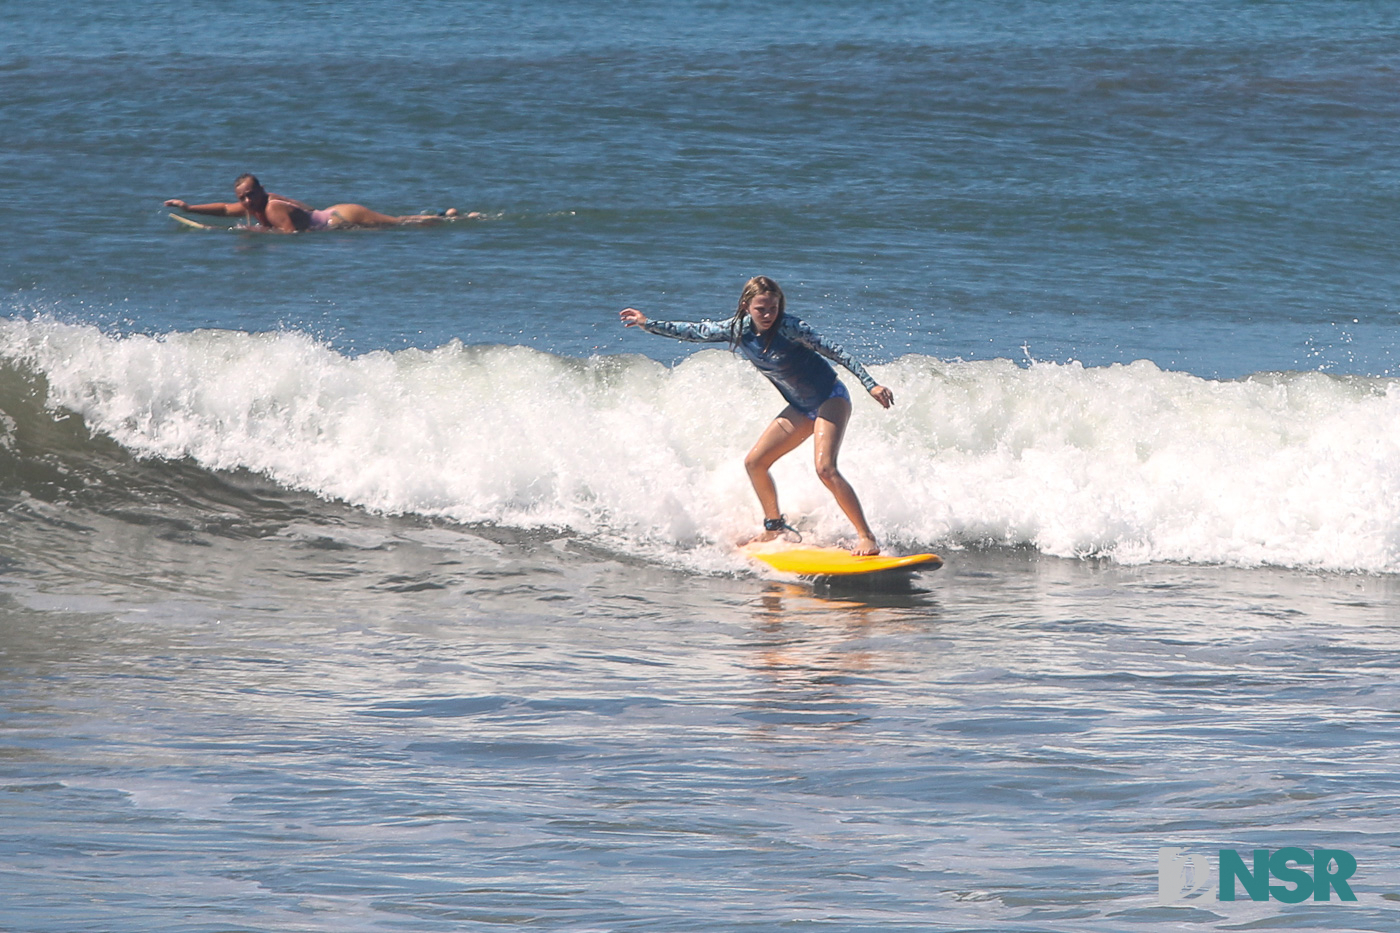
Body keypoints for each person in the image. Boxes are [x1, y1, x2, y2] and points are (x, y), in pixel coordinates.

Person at [621, 275, 894, 555]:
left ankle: (866, 536)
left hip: (830, 399)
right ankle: (774, 527)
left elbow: (836, 352)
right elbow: (693, 331)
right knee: (755, 462)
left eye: (773, 308)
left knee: (825, 468)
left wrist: (870, 384)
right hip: (800, 407)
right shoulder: (737, 329)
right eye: (760, 309)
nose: (767, 315)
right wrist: (647, 323)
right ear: (746, 306)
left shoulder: (791, 328)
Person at [164, 173, 470, 232]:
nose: (246, 200)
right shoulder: (250, 208)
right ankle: (446, 214)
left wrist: (255, 232)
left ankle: (450, 219)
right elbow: (222, 209)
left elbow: (292, 234)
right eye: (242, 197)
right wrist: (189, 208)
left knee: (398, 224)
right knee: (396, 222)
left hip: (344, 215)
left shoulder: (271, 208)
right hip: (335, 216)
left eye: (250, 193)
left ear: (262, 190)